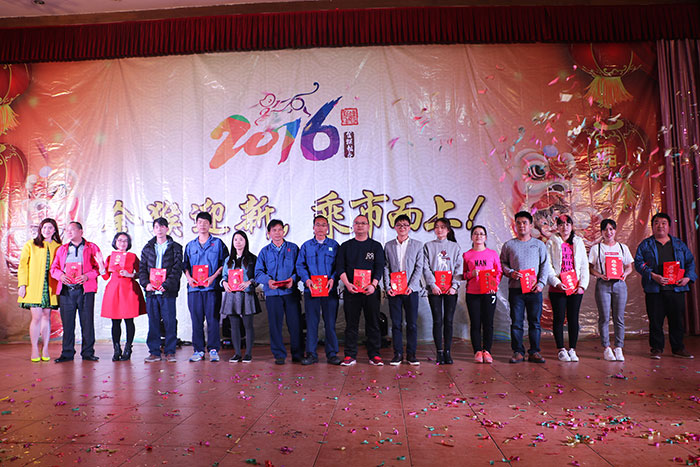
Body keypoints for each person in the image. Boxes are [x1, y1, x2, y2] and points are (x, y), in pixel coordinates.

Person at [634, 212, 697, 359]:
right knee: (655, 320)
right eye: (656, 223)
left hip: (676, 288)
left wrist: (688, 278)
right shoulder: (645, 244)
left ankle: (678, 348)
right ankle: (656, 348)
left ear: (669, 226)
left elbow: (690, 262)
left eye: (663, 223)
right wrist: (652, 275)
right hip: (655, 289)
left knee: (677, 320)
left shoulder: (679, 244)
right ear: (652, 226)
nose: (660, 226)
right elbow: (638, 263)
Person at [50, 221, 105, 362]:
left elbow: (99, 268)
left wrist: (87, 276)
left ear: (81, 232)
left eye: (72, 230)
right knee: (68, 324)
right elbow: (53, 269)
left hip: (85, 290)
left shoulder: (91, 247)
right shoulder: (62, 249)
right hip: (67, 291)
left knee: (87, 322)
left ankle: (88, 352)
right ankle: (67, 353)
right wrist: (60, 276)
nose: (69, 232)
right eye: (67, 230)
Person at [500, 211, 549, 364]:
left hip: (534, 290)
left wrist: (541, 284)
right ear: (515, 225)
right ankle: (518, 352)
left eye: (525, 223)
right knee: (516, 322)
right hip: (516, 290)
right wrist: (511, 273)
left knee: (535, 322)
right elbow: (502, 264)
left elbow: (545, 266)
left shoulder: (539, 245)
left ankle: (534, 351)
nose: (522, 226)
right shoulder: (509, 245)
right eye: (519, 223)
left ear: (531, 225)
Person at [336, 214, 386, 366]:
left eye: (363, 223)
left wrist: (373, 285)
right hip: (351, 291)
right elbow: (340, 267)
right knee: (351, 324)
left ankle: (374, 355)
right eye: (357, 223)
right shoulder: (346, 246)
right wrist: (347, 284)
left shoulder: (375, 246)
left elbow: (379, 267)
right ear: (353, 226)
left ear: (368, 226)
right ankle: (350, 355)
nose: (360, 226)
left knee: (373, 323)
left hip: (370, 291)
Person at [255, 219, 303, 365]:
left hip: (290, 293)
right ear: (269, 233)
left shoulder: (293, 249)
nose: (277, 233)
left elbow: (300, 268)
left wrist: (293, 280)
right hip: (273, 294)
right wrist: (268, 281)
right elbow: (258, 272)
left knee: (295, 324)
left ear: (284, 231)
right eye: (274, 230)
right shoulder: (264, 252)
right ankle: (279, 355)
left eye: (280, 229)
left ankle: (298, 354)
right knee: (275, 326)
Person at [296, 216, 341, 365]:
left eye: (323, 225)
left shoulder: (334, 245)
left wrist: (333, 278)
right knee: (311, 323)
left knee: (330, 323)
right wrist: (306, 280)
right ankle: (311, 354)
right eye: (318, 225)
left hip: (329, 290)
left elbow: (339, 266)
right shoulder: (306, 246)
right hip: (311, 291)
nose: (320, 228)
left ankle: (332, 354)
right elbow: (300, 266)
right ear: (313, 228)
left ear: (327, 228)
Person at [184, 212, 228, 362]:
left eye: (205, 222)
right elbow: (185, 265)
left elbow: (224, 264)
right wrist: (189, 278)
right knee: (196, 320)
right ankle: (198, 350)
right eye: (200, 222)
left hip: (212, 288)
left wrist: (213, 277)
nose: (202, 225)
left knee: (213, 319)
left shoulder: (218, 243)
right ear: (196, 224)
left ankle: (213, 349)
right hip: (194, 289)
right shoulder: (190, 245)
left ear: (210, 225)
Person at [588, 219, 634, 361]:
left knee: (619, 317)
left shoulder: (622, 248)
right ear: (601, 232)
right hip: (603, 284)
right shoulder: (597, 248)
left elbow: (629, 266)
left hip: (619, 284)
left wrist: (625, 274)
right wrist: (600, 275)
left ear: (615, 230)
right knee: (604, 317)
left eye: (611, 229)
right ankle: (607, 347)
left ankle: (619, 347)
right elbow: (590, 268)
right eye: (605, 229)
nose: (608, 232)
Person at [17, 218, 62, 362]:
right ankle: (34, 349)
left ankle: (46, 348)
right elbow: (23, 265)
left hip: (50, 286)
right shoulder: (31, 244)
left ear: (54, 230)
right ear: (40, 230)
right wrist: (22, 284)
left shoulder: (59, 247)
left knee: (46, 317)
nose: (47, 230)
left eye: (50, 228)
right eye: (44, 228)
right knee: (36, 317)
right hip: (34, 286)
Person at [546, 215, 590, 362]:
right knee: (558, 318)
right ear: (557, 227)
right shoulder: (551, 242)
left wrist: (582, 285)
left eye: (567, 224)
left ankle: (572, 349)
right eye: (561, 224)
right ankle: (561, 349)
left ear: (571, 226)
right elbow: (548, 265)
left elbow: (584, 265)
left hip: (575, 287)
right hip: (558, 287)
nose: (564, 227)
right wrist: (556, 282)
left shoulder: (578, 242)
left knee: (573, 318)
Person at [383, 214, 424, 366]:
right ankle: (398, 354)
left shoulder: (418, 245)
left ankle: (411, 354)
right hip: (394, 291)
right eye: (399, 225)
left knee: (412, 323)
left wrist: (411, 286)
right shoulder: (388, 246)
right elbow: (386, 267)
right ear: (395, 227)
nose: (402, 228)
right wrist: (388, 287)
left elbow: (419, 267)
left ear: (410, 227)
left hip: (411, 291)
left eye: (405, 225)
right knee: (396, 323)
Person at [140, 217, 183, 363]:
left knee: (170, 322)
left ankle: (170, 351)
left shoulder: (176, 248)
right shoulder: (147, 248)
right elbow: (142, 269)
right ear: (153, 230)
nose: (159, 229)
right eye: (157, 227)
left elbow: (177, 269)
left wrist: (166, 285)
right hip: (151, 292)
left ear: (167, 229)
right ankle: (154, 352)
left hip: (167, 292)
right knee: (153, 322)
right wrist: (146, 284)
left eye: (162, 226)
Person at [100, 232, 146, 361]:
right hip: (114, 290)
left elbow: (142, 273)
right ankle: (116, 349)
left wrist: (130, 275)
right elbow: (105, 277)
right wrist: (100, 264)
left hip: (128, 289)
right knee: (115, 321)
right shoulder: (110, 257)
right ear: (115, 242)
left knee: (129, 320)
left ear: (129, 243)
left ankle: (128, 348)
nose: (122, 243)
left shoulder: (132, 257)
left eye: (125, 241)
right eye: (120, 240)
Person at [423, 217, 463, 364]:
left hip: (450, 290)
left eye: (443, 227)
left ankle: (447, 351)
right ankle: (439, 351)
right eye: (437, 227)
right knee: (437, 320)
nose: (439, 230)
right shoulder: (428, 246)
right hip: (435, 290)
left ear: (448, 230)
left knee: (449, 320)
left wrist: (454, 286)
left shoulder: (455, 247)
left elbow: (459, 267)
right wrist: (433, 285)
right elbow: (425, 267)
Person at [462, 225, 502, 364]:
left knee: (488, 323)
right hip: (472, 293)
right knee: (475, 323)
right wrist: (471, 274)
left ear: (485, 237)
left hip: (489, 292)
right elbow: (463, 275)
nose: (478, 236)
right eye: (475, 233)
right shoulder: (467, 255)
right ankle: (477, 351)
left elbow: (499, 272)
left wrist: (494, 286)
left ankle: (487, 351)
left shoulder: (492, 254)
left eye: (481, 234)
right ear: (472, 237)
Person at [221, 230, 261, 363]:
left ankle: (248, 353)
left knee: (248, 325)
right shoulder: (228, 260)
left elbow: (258, 277)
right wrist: (224, 283)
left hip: (246, 294)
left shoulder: (252, 259)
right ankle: (237, 353)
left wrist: (249, 282)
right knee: (234, 325)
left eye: (241, 239)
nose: (238, 242)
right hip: (232, 295)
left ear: (246, 241)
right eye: (235, 240)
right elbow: (224, 276)